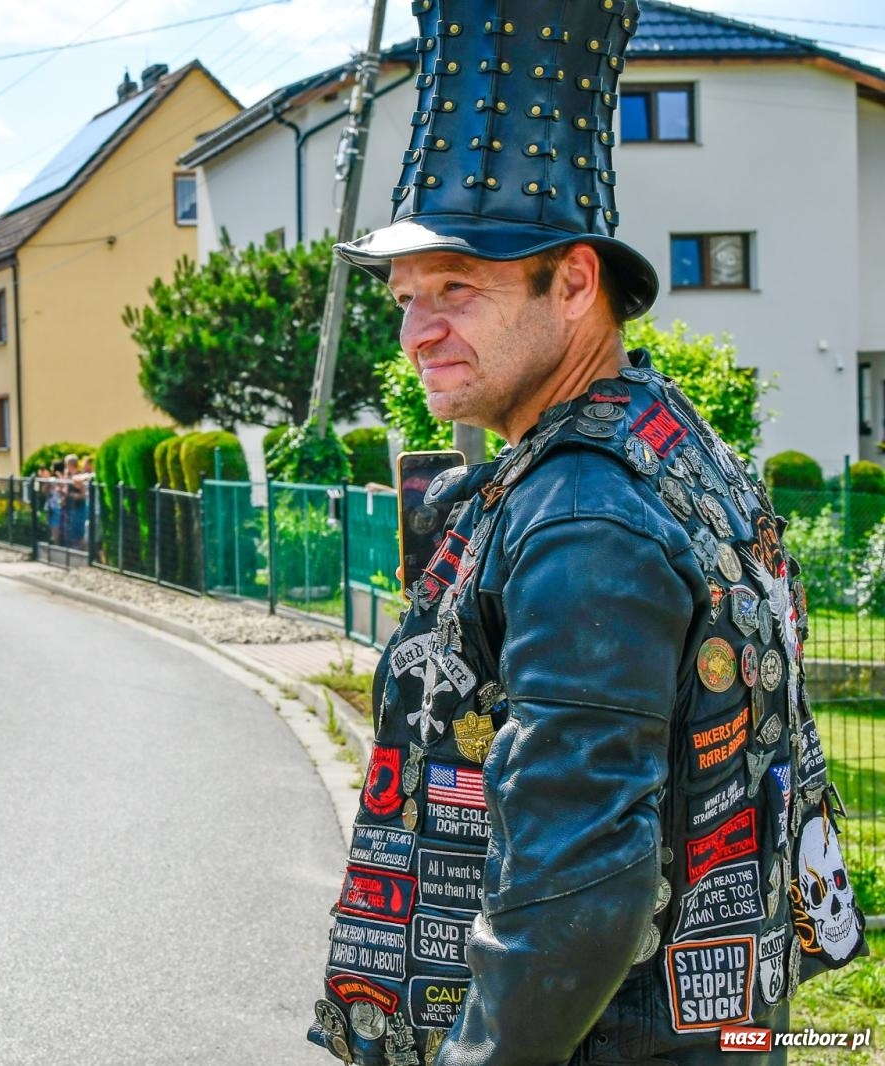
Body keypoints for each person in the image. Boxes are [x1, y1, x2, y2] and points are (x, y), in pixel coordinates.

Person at [305, 6, 866, 1065]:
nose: (418, 329)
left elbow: (577, 894)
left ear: (573, 283)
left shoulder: (581, 516)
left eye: (457, 289)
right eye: (405, 298)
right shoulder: (661, 436)